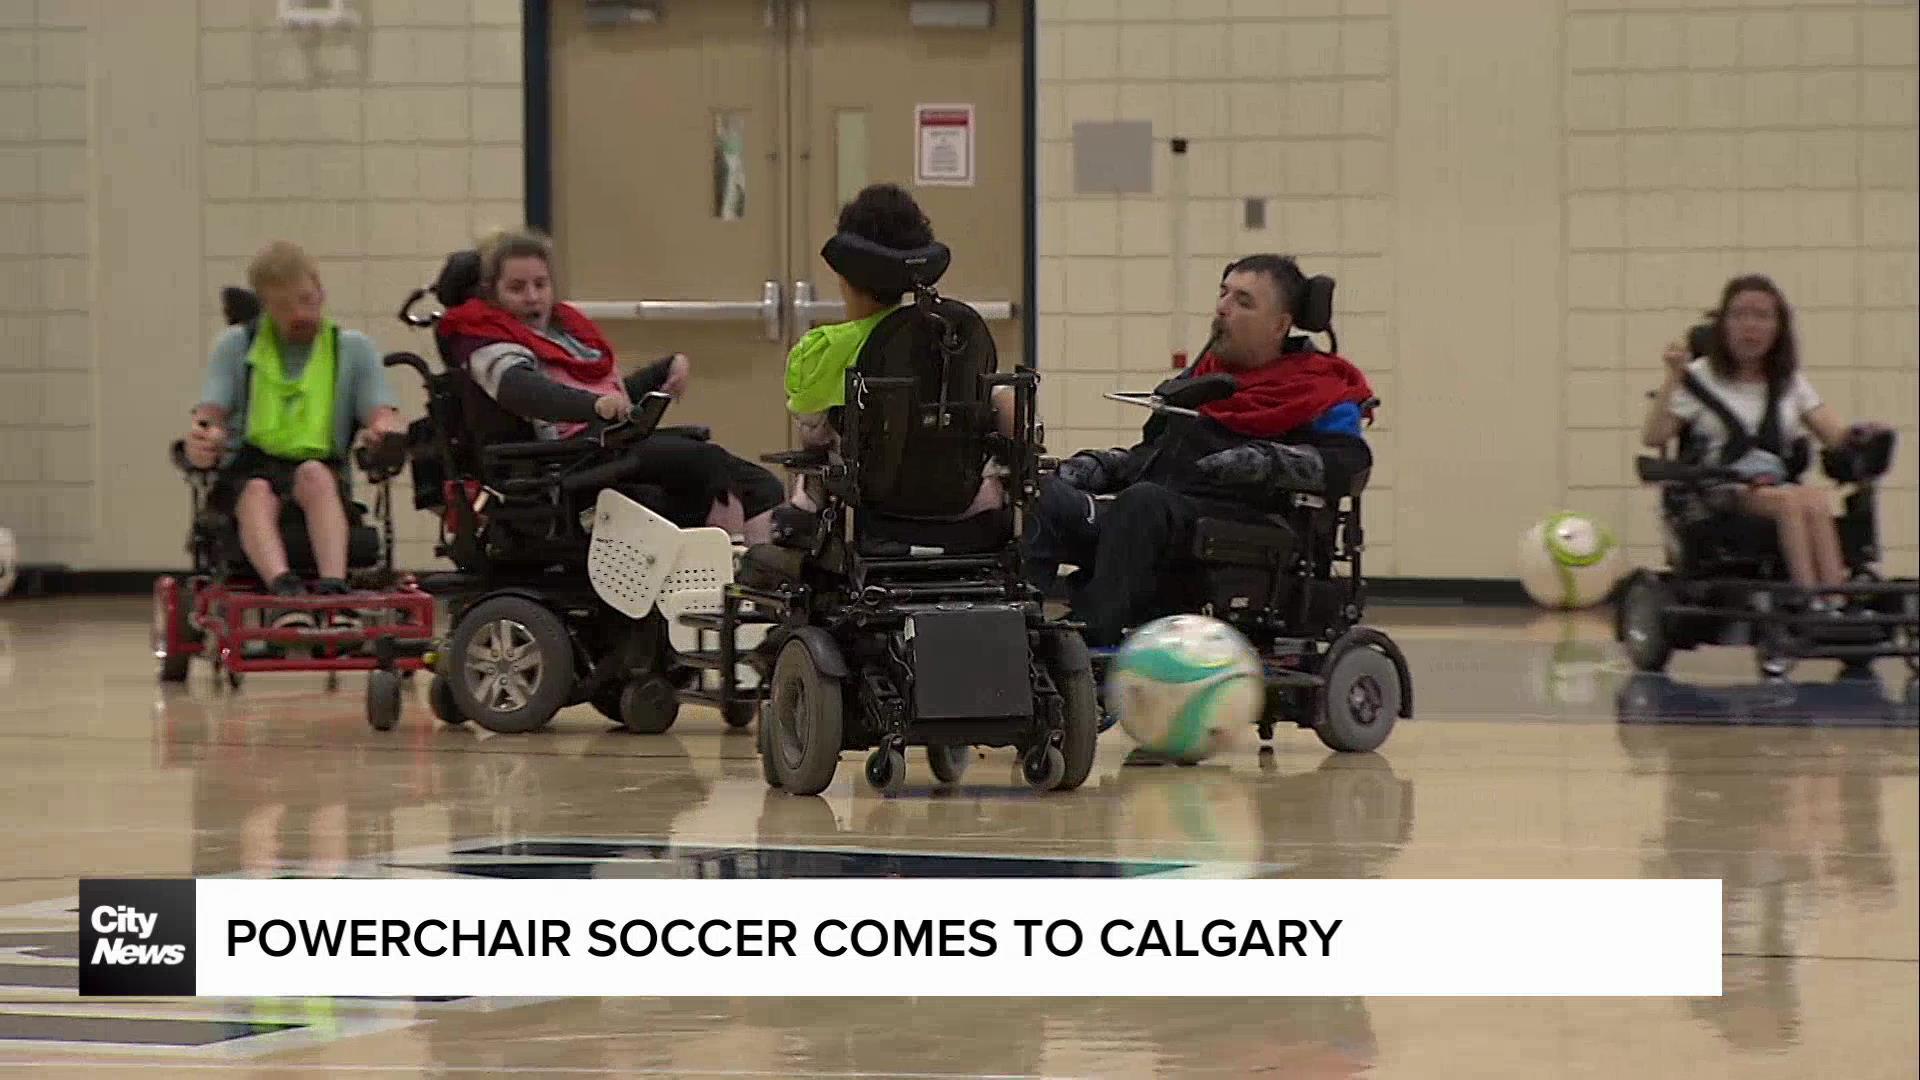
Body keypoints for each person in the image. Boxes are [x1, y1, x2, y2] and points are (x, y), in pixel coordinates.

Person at [1027, 254, 1376, 649]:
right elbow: (1151, 455)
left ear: (1280, 325)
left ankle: (1087, 638)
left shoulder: (1318, 388)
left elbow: (1351, 464)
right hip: (1158, 516)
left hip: (1246, 529)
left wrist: (1264, 461)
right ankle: (1018, 626)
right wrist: (1099, 465)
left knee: (1143, 504)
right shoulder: (1201, 378)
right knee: (1042, 494)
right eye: (1223, 294)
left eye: (1243, 302)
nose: (1223, 308)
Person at [434, 228, 783, 542]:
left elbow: (612, 397)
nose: (532, 297)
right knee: (701, 462)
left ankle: (759, 586)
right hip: (562, 462)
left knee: (760, 484)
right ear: (491, 293)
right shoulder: (483, 341)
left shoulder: (564, 332)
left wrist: (664, 368)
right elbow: (526, 393)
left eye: (541, 285)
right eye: (517, 288)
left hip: (605, 443)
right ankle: (726, 567)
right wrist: (593, 405)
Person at [184, 241, 406, 628]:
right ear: (265, 306)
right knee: (255, 491)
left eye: (306, 300)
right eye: (284, 307)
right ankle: (284, 591)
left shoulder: (352, 349)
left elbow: (381, 414)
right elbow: (210, 414)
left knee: (315, 477)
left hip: (320, 466)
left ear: (320, 290)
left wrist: (384, 434)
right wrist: (205, 438)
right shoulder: (237, 347)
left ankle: (334, 590)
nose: (300, 314)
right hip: (252, 466)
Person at [1640, 274, 1888, 610]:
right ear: (1724, 325)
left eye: (1761, 316)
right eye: (1740, 315)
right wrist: (1673, 376)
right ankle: (1807, 598)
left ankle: (1835, 598)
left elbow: (1834, 434)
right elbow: (1654, 435)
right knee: (1789, 502)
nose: (1750, 326)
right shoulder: (1699, 376)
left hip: (1775, 482)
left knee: (1814, 498)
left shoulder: (1788, 382)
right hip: (1722, 487)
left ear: (1778, 328)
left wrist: (1861, 435)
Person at [781, 183, 1017, 518]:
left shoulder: (820, 351)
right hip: (962, 507)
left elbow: (812, 429)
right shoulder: (950, 335)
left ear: (844, 274)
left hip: (870, 509)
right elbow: (1005, 406)